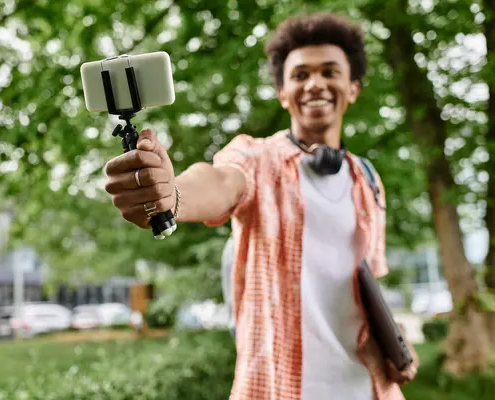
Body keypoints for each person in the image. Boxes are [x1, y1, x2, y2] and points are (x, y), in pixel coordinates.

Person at [103, 11, 419, 400]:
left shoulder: (367, 179)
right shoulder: (256, 158)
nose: (315, 83)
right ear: (283, 93)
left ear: (352, 87)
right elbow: (220, 181)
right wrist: (170, 194)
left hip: (369, 389)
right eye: (300, 75)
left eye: (329, 72)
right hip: (278, 389)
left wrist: (395, 341)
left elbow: (363, 287)